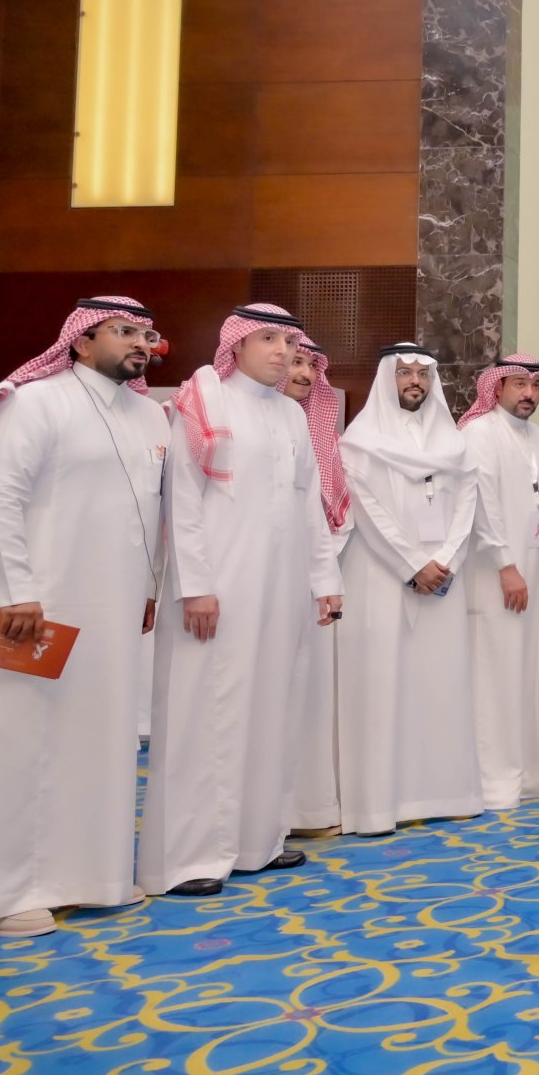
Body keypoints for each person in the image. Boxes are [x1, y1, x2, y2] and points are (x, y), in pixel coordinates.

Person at [0, 298, 168, 937]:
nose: (139, 343)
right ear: (80, 342)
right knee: (20, 742)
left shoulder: (148, 414)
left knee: (99, 739)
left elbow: (149, 513)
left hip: (114, 605)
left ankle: (93, 876)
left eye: (145, 333)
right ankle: (3, 896)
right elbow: (0, 495)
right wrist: (16, 591)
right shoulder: (35, 403)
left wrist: (149, 588)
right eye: (123, 331)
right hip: (36, 606)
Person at [138, 305, 343, 897]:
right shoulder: (204, 402)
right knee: (209, 716)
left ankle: (258, 842)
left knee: (273, 709)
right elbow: (182, 500)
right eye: (268, 339)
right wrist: (195, 586)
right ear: (237, 345)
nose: (282, 351)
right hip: (218, 591)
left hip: (282, 591)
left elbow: (309, 504)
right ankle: (189, 858)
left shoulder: (292, 414)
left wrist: (324, 579)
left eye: (289, 342)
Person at [337, 343, 484, 832]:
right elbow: (366, 509)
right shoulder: (360, 442)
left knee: (441, 684)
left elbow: (467, 504)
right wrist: (412, 564)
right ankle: (383, 804)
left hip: (443, 580)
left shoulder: (454, 444)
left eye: (422, 374)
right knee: (384, 686)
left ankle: (447, 792)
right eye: (403, 373)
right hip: (382, 577)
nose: (414, 382)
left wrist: (446, 560)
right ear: (387, 379)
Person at [460, 354, 539, 810]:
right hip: (495, 573)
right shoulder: (479, 433)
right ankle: (493, 778)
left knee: (530, 668)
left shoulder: (538, 437)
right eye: (519, 384)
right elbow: (481, 504)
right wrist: (505, 564)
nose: (528, 393)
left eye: (535, 385)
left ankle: (531, 772)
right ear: (497, 387)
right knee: (496, 670)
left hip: (534, 567)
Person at [284, 336, 349, 838]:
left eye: (311, 365)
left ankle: (307, 808)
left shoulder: (316, 431)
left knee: (309, 699)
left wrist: (323, 574)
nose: (305, 374)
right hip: (257, 581)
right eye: (296, 362)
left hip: (316, 586)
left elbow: (332, 515)